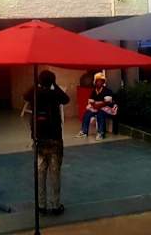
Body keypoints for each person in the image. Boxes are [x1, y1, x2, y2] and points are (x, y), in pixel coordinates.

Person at [24, 70, 70, 216]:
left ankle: (41, 205)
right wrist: (54, 85)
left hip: (39, 140)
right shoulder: (54, 93)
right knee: (55, 174)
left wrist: (36, 83)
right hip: (54, 139)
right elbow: (66, 99)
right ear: (52, 81)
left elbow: (25, 96)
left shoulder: (35, 93)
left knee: (40, 173)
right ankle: (55, 205)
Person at [75, 73, 117, 140]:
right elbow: (91, 101)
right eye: (97, 81)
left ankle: (101, 133)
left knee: (100, 113)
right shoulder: (94, 91)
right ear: (95, 82)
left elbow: (107, 102)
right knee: (87, 113)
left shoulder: (107, 91)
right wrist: (94, 105)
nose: (99, 82)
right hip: (97, 107)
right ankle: (84, 132)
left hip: (108, 109)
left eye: (101, 81)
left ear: (103, 82)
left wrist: (97, 105)